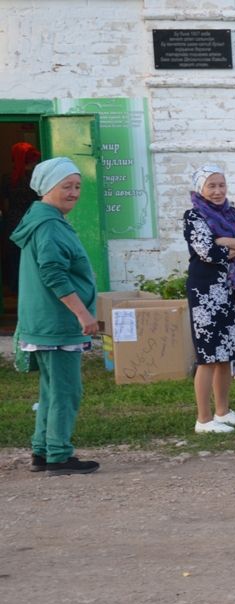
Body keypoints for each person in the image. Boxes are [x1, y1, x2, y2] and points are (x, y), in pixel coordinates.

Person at [11, 157, 99, 475]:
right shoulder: (48, 225)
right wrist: (82, 314)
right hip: (58, 322)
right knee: (65, 389)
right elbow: (53, 273)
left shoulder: (44, 218)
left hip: (47, 321)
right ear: (48, 188)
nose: (74, 192)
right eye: (66, 186)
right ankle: (59, 455)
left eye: (77, 186)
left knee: (52, 388)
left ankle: (42, 450)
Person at [183, 165, 235, 434]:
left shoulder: (232, 213)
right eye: (211, 186)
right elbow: (209, 254)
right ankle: (203, 420)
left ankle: (223, 411)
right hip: (205, 293)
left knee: (226, 353)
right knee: (207, 356)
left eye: (221, 185)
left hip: (230, 290)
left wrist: (225, 240)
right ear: (200, 189)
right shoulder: (194, 216)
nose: (217, 191)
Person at [1, 141, 42, 292]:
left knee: (15, 257)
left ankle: (15, 288)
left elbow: (4, 203)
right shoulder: (36, 178)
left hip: (13, 221)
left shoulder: (7, 178)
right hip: (34, 220)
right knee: (34, 256)